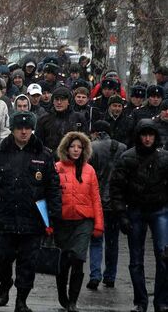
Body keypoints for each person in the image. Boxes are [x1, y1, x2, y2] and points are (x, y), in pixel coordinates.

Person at [0, 111, 61, 312]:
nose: (23, 132)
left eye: (27, 128)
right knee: (0, 258)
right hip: (4, 217)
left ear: (32, 129)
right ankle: (5, 282)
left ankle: (22, 301)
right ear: (12, 130)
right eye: (19, 128)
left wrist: (55, 215)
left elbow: (53, 188)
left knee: (27, 263)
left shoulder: (44, 155)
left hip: (32, 219)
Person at [110, 119, 168, 312]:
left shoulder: (164, 158)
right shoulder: (127, 158)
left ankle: (161, 301)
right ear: (138, 136)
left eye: (151, 135)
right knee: (136, 259)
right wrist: (122, 215)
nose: (147, 138)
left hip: (159, 209)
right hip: (135, 210)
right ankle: (141, 302)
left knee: (163, 256)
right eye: (144, 135)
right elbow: (116, 188)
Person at [54, 131, 104, 311]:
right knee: (63, 261)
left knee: (78, 259)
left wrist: (98, 224)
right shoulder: (57, 168)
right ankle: (62, 295)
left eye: (79, 147)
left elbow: (95, 198)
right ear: (66, 148)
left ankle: (73, 301)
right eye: (73, 146)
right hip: (62, 221)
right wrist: (49, 223)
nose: (76, 150)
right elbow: (51, 196)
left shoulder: (89, 170)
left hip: (84, 220)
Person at [87, 120, 126, 291]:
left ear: (96, 132)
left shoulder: (92, 148)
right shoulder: (123, 149)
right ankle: (110, 275)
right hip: (116, 202)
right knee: (113, 241)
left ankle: (95, 275)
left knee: (96, 240)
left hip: (97, 201)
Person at [36, 86, 87, 152]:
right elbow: (38, 144)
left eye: (62, 99)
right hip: (49, 158)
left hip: (72, 158)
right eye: (56, 99)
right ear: (53, 101)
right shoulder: (43, 119)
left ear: (68, 102)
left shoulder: (79, 118)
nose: (59, 102)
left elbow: (85, 143)